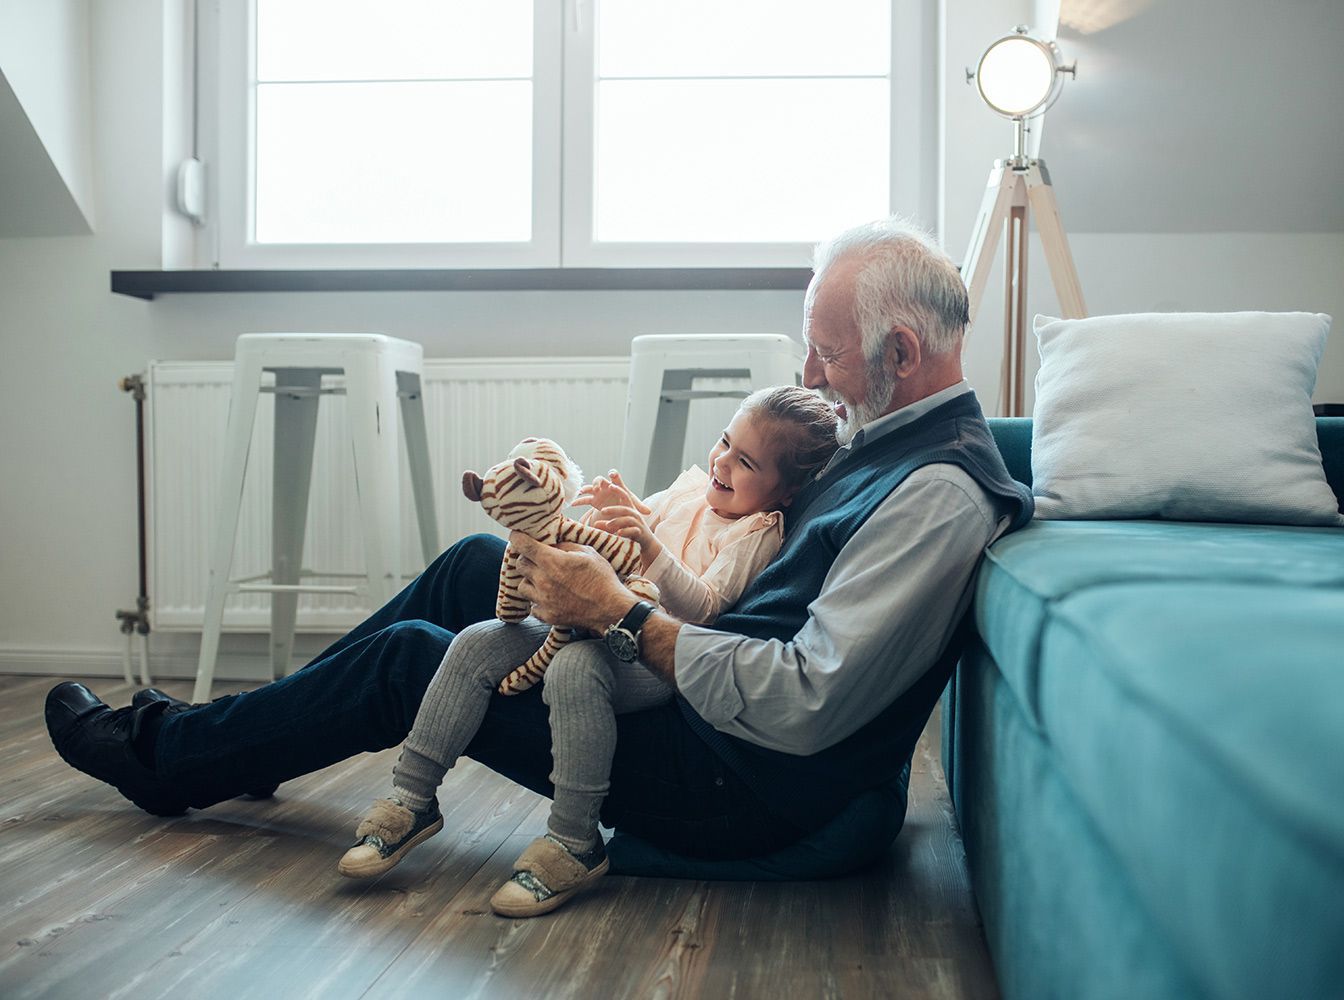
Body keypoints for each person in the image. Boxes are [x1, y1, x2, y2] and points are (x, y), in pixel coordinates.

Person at [44, 216, 1034, 901]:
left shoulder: (936, 495)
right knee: (476, 563)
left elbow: (805, 700)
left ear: (901, 353)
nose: (807, 375)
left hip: (738, 780)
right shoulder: (886, 432)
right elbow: (750, 572)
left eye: (823, 354)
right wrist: (623, 556)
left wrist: (624, 615)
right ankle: (243, 739)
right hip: (703, 703)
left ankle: (167, 761)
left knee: (420, 658)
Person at [337, 386, 839, 917]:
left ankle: (574, 840)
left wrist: (648, 544)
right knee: (475, 643)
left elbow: (706, 608)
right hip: (591, 621)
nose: (723, 463)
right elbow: (635, 530)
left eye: (746, 463)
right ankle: (411, 798)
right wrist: (619, 512)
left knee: (574, 669)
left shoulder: (756, 532)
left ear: (785, 492)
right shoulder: (695, 486)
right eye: (724, 442)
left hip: (653, 654)